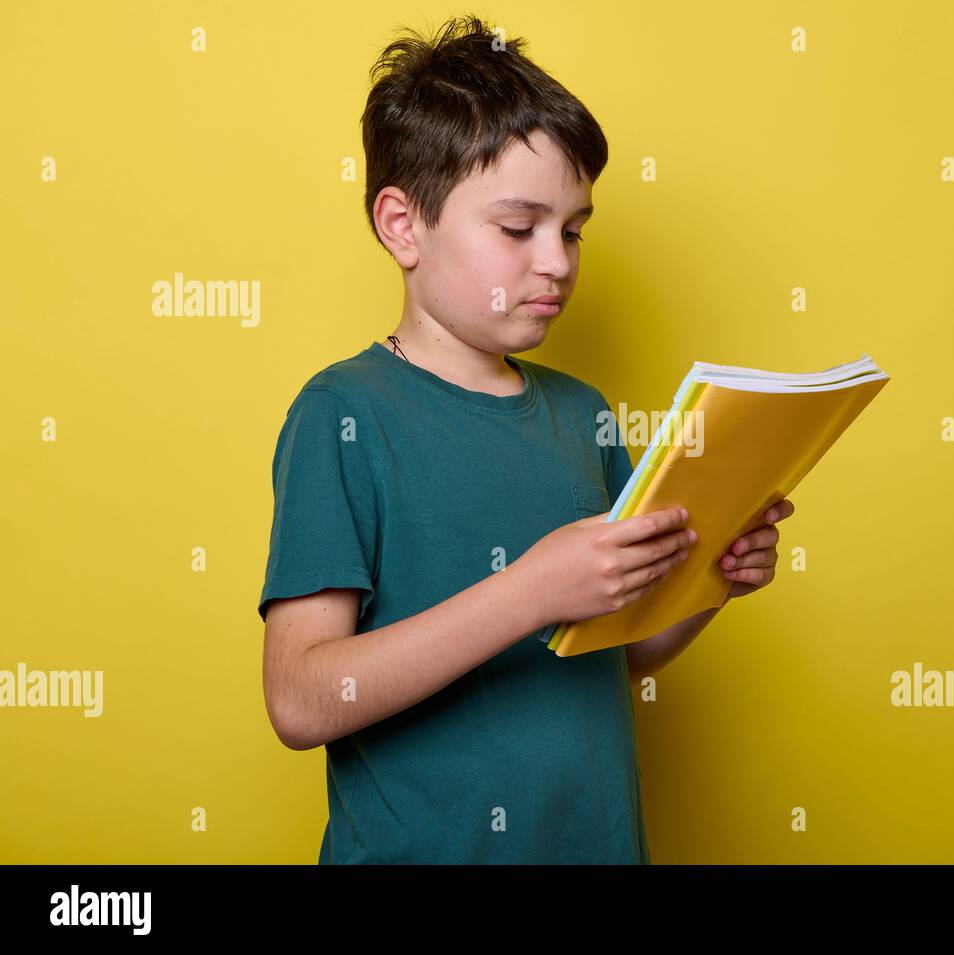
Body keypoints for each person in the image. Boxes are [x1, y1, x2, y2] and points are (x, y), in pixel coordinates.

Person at [257, 14, 794, 864]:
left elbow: (625, 651)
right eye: (518, 229)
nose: (557, 262)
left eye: (574, 229)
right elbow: (300, 697)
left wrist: (713, 578)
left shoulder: (586, 414)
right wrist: (530, 590)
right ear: (403, 224)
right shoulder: (343, 414)